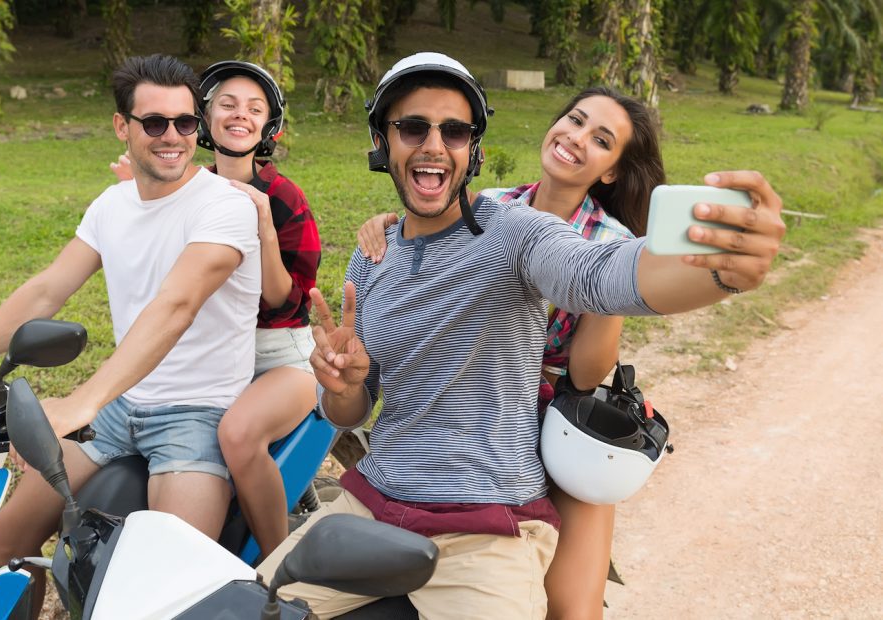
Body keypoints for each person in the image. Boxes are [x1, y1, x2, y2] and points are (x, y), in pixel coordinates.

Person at [257, 52, 785, 619]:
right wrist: (341, 384)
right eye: (413, 127)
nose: (434, 143)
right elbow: (351, 413)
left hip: (489, 519)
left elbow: (602, 275)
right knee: (231, 605)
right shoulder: (372, 262)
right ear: (385, 144)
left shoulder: (517, 229)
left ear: (471, 150)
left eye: (454, 130)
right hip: (371, 501)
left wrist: (718, 270)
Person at [0, 54, 261, 618]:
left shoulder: (225, 207)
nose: (173, 137)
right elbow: (48, 290)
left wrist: (80, 401)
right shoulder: (111, 205)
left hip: (197, 416)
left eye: (186, 123)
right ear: (123, 127)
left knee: (159, 592)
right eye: (154, 123)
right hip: (122, 408)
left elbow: (177, 305)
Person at [355, 85, 663, 618]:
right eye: (574, 119)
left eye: (601, 139)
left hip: (558, 412)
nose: (576, 138)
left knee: (572, 604)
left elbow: (588, 373)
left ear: (611, 171)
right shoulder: (492, 203)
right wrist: (385, 222)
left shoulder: (612, 238)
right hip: (476, 405)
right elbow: (424, 228)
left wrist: (605, 287)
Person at [111, 60, 321, 557]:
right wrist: (139, 187)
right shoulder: (186, 186)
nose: (239, 115)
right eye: (226, 104)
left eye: (254, 108)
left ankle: (275, 567)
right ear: (204, 117)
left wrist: (264, 225)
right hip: (212, 355)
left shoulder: (285, 197)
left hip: (279, 354)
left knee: (239, 434)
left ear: (269, 125)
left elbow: (279, 299)